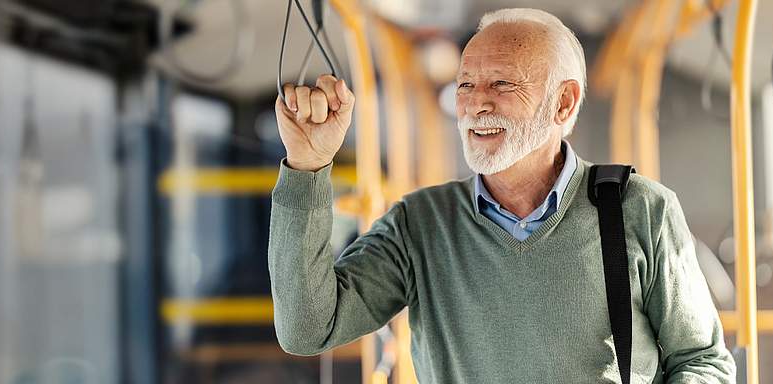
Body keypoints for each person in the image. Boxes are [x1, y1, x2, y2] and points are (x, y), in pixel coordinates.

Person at [269, 7, 734, 383]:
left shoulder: (641, 210)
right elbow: (309, 329)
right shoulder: (420, 224)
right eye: (466, 84)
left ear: (564, 102)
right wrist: (307, 166)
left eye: (502, 84)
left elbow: (702, 362)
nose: (475, 103)